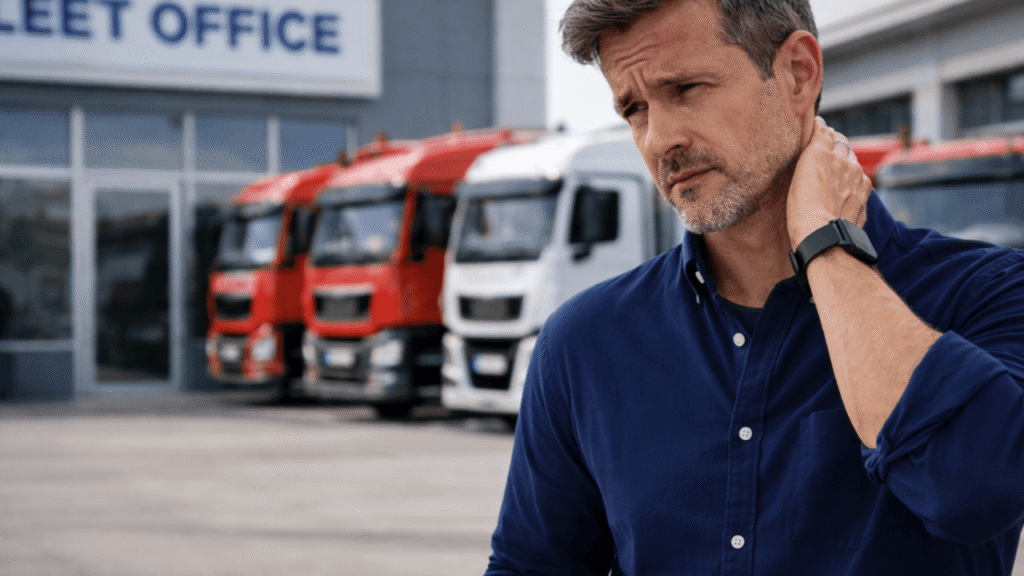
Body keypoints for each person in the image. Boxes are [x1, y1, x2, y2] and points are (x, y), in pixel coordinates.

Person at [484, 0, 1024, 574]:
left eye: (687, 87)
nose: (659, 139)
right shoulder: (584, 344)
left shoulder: (986, 294)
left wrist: (826, 246)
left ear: (797, 73)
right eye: (634, 108)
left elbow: (977, 493)